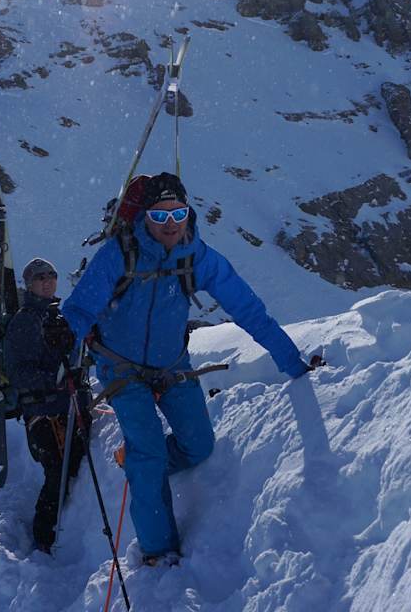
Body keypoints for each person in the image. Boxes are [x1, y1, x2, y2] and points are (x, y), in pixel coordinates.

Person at [61, 172, 318, 566]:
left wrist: (292, 363)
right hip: (120, 369)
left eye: (178, 213)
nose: (170, 224)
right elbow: (80, 309)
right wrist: (62, 340)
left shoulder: (197, 257)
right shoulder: (120, 253)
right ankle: (158, 554)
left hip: (172, 365)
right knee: (147, 452)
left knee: (198, 446)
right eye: (160, 216)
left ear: (189, 211)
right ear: (144, 216)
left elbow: (249, 310)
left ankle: (136, 462)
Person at [4, 257, 91, 553]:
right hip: (42, 414)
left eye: (51, 275)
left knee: (71, 467)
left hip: (68, 406)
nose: (47, 280)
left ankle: (55, 531)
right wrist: (53, 380)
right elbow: (18, 371)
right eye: (40, 277)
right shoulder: (24, 321)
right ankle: (43, 536)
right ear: (29, 284)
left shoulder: (59, 316)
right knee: (57, 471)